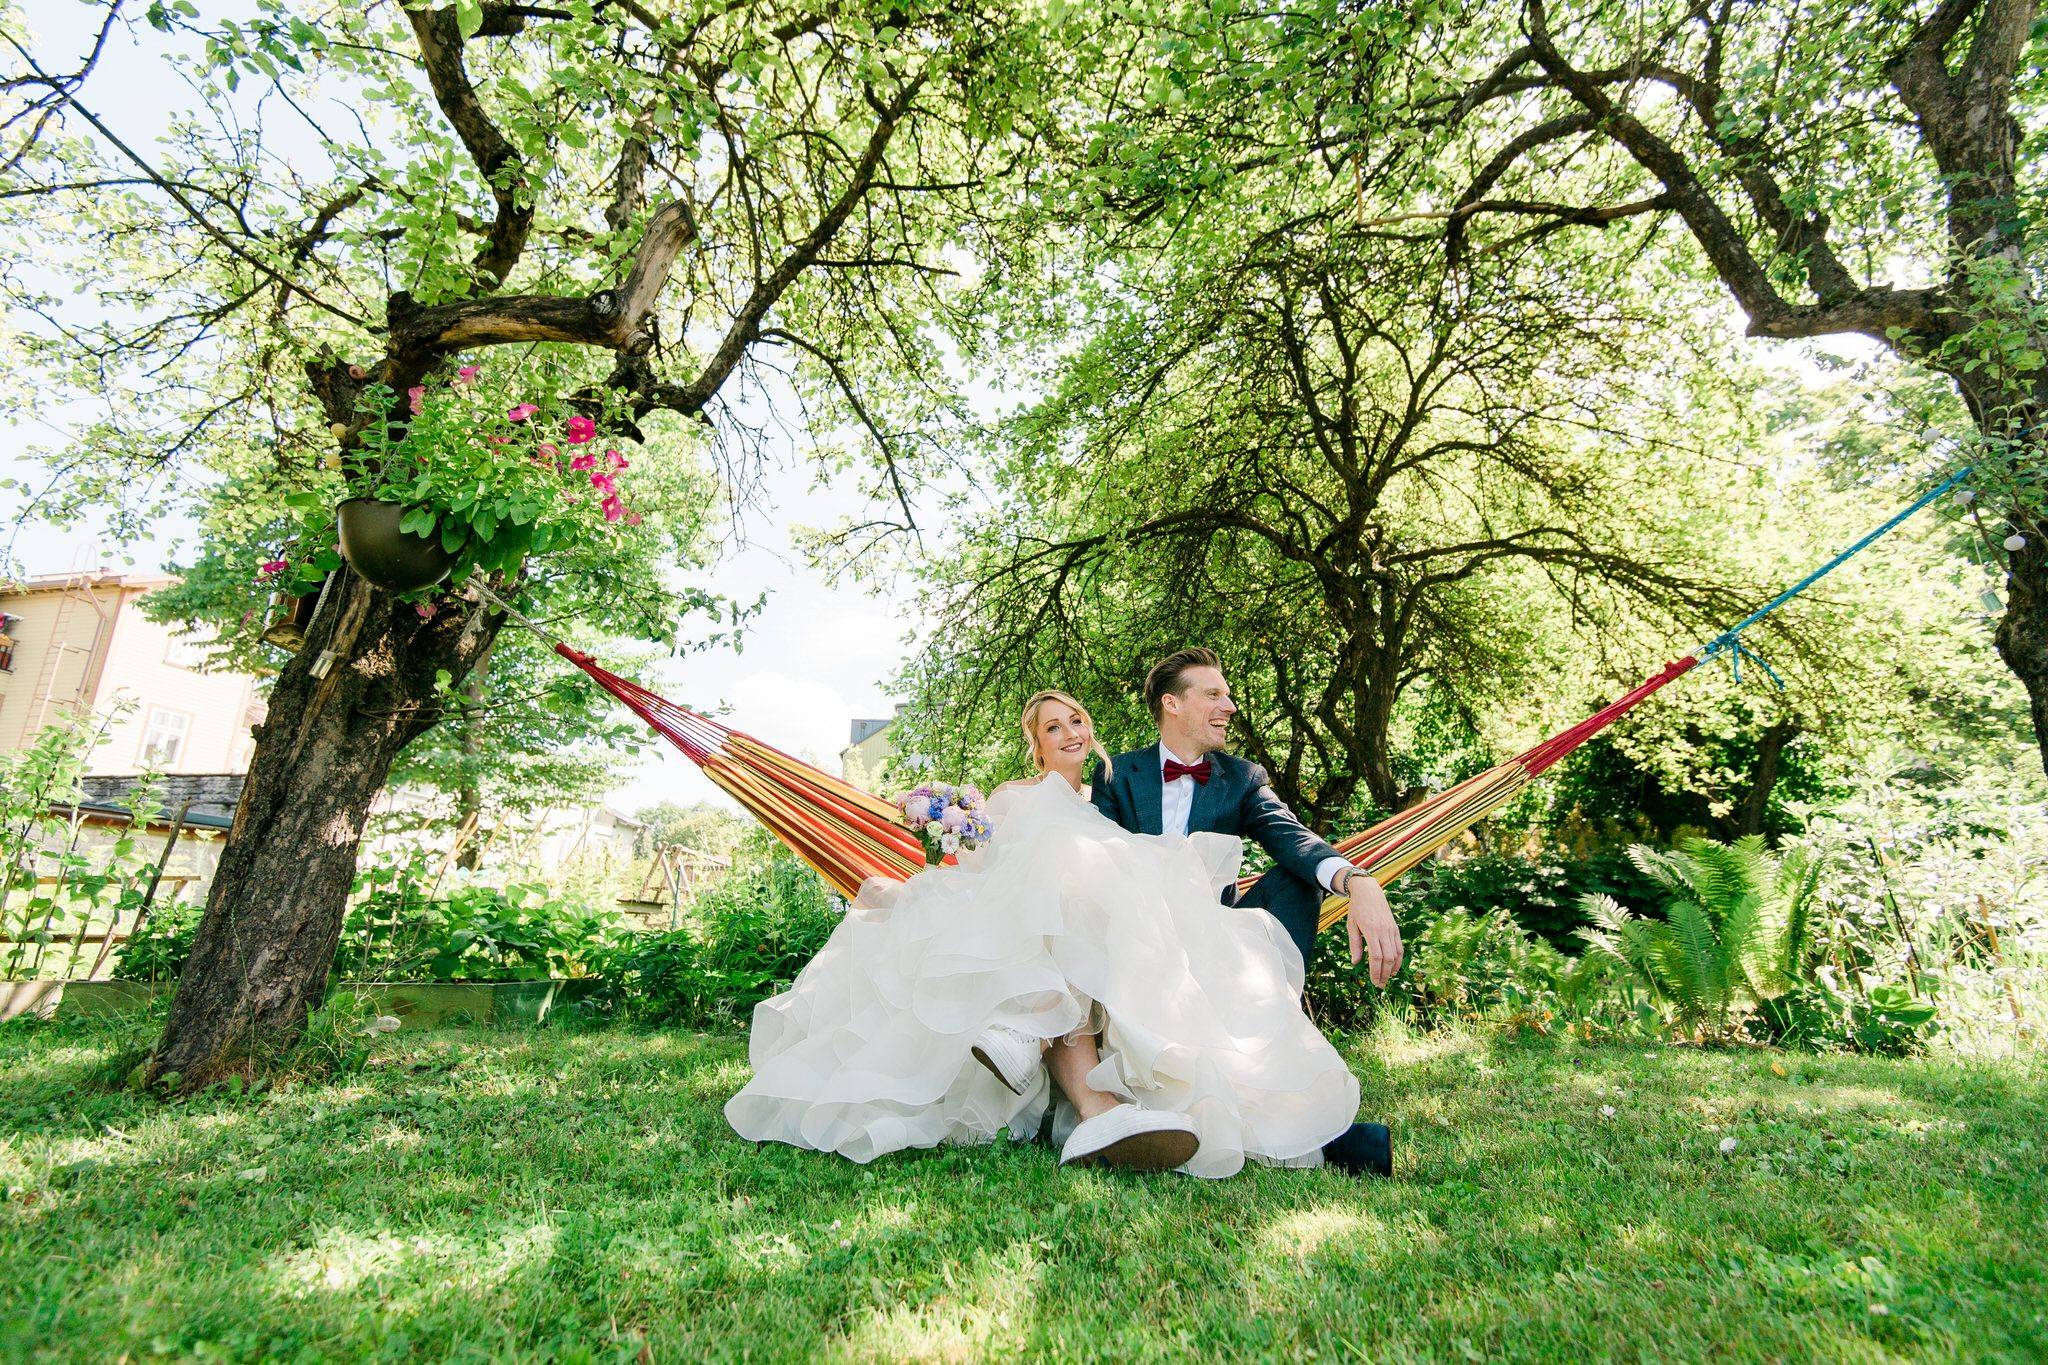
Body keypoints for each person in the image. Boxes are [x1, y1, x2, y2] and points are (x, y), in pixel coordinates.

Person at [725, 689, 1363, 1177]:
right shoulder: (1010, 795)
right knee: (1057, 879)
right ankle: (1069, 1078)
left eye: (1076, 720)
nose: (1068, 732)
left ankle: (1031, 1033)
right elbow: (983, 874)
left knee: (1084, 888)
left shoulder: (1105, 801)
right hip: (1010, 925)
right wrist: (956, 834)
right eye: (1051, 727)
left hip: (1108, 940)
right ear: (1035, 746)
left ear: (1092, 729)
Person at [1089, 646, 1403, 1175]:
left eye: (1228, 695)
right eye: (1214, 694)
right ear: (1172, 704)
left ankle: (1279, 1030)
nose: (1230, 706)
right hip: (1140, 941)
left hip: (1219, 940)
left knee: (1295, 884)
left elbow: (1291, 840)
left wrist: (1358, 881)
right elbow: (1093, 862)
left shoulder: (1242, 777)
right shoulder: (1116, 774)